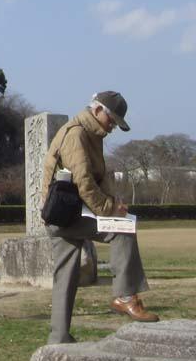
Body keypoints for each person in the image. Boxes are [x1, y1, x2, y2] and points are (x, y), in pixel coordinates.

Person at [42, 91, 159, 344]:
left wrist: (114, 202)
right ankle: (126, 296)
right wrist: (109, 209)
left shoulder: (90, 133)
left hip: (62, 214)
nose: (113, 126)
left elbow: (99, 176)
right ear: (97, 111)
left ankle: (59, 337)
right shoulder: (77, 134)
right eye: (112, 120)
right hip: (67, 214)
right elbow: (83, 182)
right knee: (123, 229)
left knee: (65, 276)